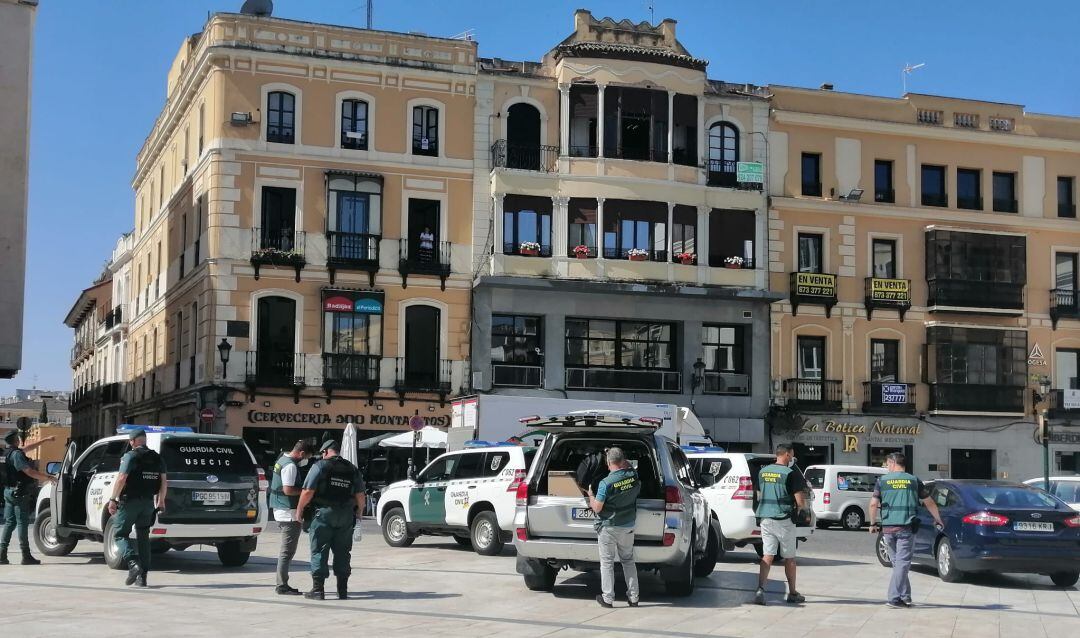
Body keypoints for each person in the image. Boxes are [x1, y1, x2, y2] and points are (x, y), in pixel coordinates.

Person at [869, 452, 944, 609]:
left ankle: (905, 596)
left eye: (887, 464)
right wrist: (938, 519)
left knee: (898, 563)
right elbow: (929, 502)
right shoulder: (914, 480)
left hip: (888, 528)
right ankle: (894, 598)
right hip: (906, 527)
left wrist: (872, 523)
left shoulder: (882, 481)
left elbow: (873, 504)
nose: (887, 467)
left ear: (893, 463)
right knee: (902, 564)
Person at [295, 440, 365, 600]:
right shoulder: (352, 469)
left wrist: (299, 511)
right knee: (343, 551)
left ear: (326, 452)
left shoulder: (320, 466)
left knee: (319, 550)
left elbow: (307, 491)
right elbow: (360, 495)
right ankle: (342, 590)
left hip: (323, 515)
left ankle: (318, 590)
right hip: (346, 515)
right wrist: (359, 512)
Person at [107, 429, 167, 587]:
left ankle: (133, 564)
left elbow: (122, 478)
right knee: (143, 537)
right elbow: (164, 481)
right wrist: (161, 501)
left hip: (130, 502)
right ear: (144, 440)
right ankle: (143, 578)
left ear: (132, 441)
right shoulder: (157, 457)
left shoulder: (131, 456)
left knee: (119, 534)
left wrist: (113, 499)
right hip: (148, 503)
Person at [753, 443, 809, 606]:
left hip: (765, 518)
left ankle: (760, 589)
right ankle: (792, 592)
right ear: (787, 455)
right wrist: (801, 511)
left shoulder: (763, 472)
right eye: (791, 454)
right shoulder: (790, 473)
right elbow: (800, 501)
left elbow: (757, 495)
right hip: (784, 519)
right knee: (789, 558)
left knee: (768, 555)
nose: (792, 458)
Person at [586, 447, 641, 608]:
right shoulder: (633, 476)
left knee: (607, 563)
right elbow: (629, 466)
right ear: (623, 461)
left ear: (608, 462)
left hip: (609, 528)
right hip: (628, 526)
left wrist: (590, 495)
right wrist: (619, 457)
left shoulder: (605, 483)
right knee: (628, 561)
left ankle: (608, 598)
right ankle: (634, 597)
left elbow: (597, 508)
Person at [1, 430, 58, 565]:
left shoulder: (7, 453)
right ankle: (26, 555)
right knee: (22, 523)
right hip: (19, 493)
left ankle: (2, 554)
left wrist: (45, 440)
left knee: (10, 523)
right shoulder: (16, 455)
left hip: (8, 492)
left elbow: (27, 448)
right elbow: (29, 471)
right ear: (16, 440)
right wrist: (48, 477)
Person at [270, 439, 314, 595]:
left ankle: (282, 583)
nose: (305, 460)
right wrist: (305, 493)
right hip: (288, 513)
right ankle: (281, 585)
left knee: (287, 550)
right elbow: (288, 490)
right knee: (287, 551)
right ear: (301, 453)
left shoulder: (282, 459)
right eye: (306, 456)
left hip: (281, 510)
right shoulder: (290, 466)